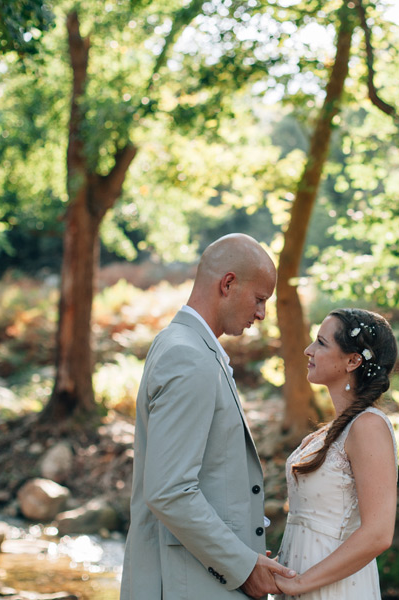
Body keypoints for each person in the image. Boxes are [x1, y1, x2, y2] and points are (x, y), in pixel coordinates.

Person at [120, 233, 296, 600]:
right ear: (228, 283)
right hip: (188, 586)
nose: (262, 314)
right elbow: (170, 491)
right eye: (260, 299)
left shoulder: (182, 345)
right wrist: (243, 566)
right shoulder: (189, 357)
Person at [273, 308, 399, 599]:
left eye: (321, 342)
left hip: (333, 587)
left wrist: (301, 583)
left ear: (353, 360)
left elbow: (378, 533)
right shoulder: (329, 432)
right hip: (297, 578)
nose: (308, 350)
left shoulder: (368, 427)